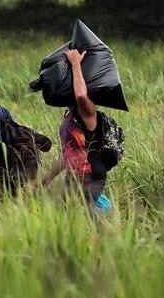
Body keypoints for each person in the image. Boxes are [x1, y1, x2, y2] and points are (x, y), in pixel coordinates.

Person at [38, 49, 112, 213]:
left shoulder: (88, 111)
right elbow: (70, 154)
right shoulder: (70, 116)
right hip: (75, 176)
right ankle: (105, 214)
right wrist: (48, 177)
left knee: (78, 215)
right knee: (68, 213)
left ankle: (106, 226)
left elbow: (80, 97)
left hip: (89, 176)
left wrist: (76, 64)